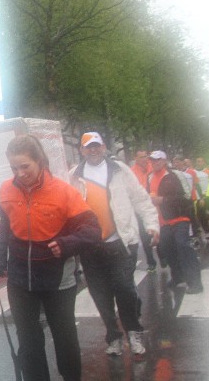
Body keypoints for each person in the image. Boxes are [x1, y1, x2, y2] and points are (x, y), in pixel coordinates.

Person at [0, 134, 101, 381]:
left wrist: (66, 244)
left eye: (25, 167)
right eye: (14, 168)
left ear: (39, 161)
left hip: (57, 276)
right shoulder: (5, 190)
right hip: (21, 277)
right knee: (29, 344)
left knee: (64, 337)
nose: (19, 174)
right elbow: (5, 227)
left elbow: (92, 230)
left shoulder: (63, 192)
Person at [69, 132, 160, 358]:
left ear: (103, 147)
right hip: (90, 247)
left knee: (124, 289)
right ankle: (114, 337)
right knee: (100, 295)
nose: (93, 150)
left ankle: (134, 331)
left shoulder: (120, 170)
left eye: (96, 146)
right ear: (82, 150)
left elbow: (141, 199)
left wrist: (152, 225)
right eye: (88, 147)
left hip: (121, 243)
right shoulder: (73, 176)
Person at [148, 151, 203, 293]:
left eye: (158, 160)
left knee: (183, 247)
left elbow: (186, 197)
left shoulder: (176, 175)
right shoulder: (150, 177)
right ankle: (178, 276)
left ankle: (195, 283)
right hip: (162, 221)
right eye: (152, 160)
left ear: (164, 161)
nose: (155, 163)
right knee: (168, 249)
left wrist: (163, 200)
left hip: (180, 218)